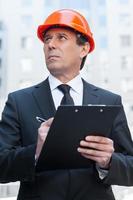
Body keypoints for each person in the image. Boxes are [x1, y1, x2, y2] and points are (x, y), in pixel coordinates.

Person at [0, 9, 133, 200]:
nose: (50, 45)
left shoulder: (109, 101)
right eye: (47, 39)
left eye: (61, 37)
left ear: (84, 49)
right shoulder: (19, 101)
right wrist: (35, 152)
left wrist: (109, 162)